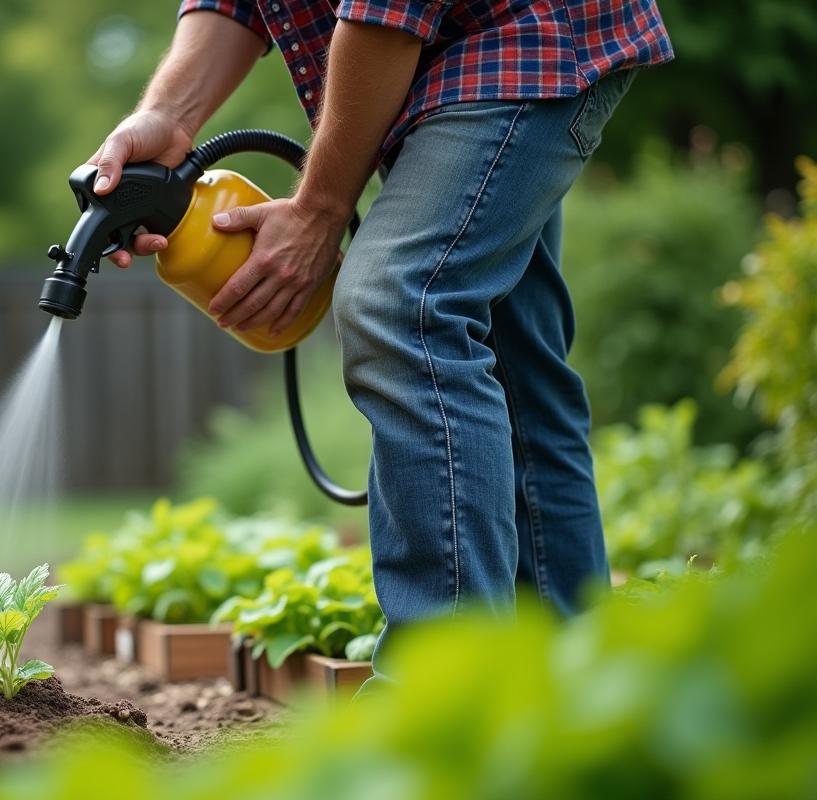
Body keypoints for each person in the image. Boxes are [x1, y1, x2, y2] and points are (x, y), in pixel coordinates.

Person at [89, 1, 673, 686]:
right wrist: (171, 114)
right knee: (515, 365)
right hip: (438, 68)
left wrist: (318, 209)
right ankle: (584, 692)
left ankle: (441, 703)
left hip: (522, 35)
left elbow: (387, 11)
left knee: (400, 303)